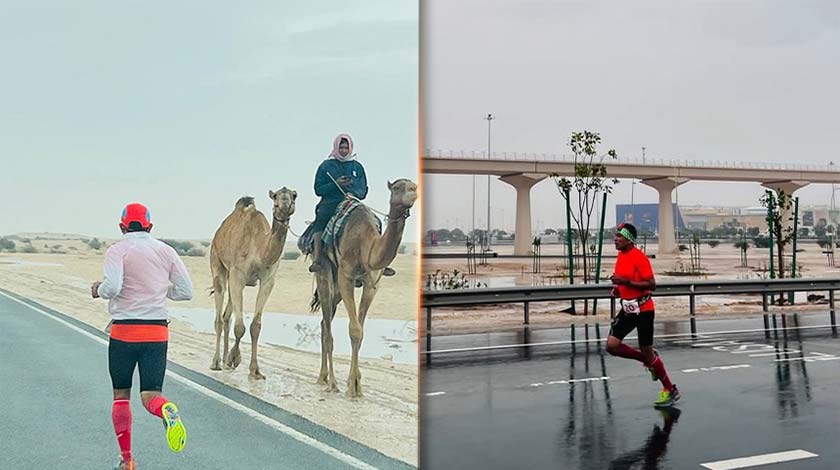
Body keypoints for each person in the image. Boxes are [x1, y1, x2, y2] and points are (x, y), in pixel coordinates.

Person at [91, 203, 193, 470]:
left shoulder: (118, 250)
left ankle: (127, 460)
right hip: (157, 332)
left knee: (121, 396)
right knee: (151, 395)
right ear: (150, 226)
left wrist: (97, 289)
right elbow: (186, 291)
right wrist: (159, 290)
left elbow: (112, 287)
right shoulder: (166, 250)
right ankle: (166, 409)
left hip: (124, 332)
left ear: (122, 226)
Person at [606, 222, 680, 408]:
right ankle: (648, 360)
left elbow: (651, 284)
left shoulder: (639, 258)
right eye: (615, 236)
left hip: (644, 310)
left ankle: (669, 388)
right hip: (628, 308)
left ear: (629, 240)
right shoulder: (620, 256)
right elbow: (625, 282)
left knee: (646, 348)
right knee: (612, 346)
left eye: (619, 237)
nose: (615, 240)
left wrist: (626, 282)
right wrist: (618, 289)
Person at [309, 133, 395, 276]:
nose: (343, 150)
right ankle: (318, 259)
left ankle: (380, 262)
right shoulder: (325, 166)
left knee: (376, 221)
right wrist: (336, 184)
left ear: (350, 148)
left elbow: (363, 189)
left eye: (346, 147)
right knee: (320, 221)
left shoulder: (357, 167)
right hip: (330, 202)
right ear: (336, 147)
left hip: (352, 202)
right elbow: (318, 189)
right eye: (341, 147)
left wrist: (353, 193)